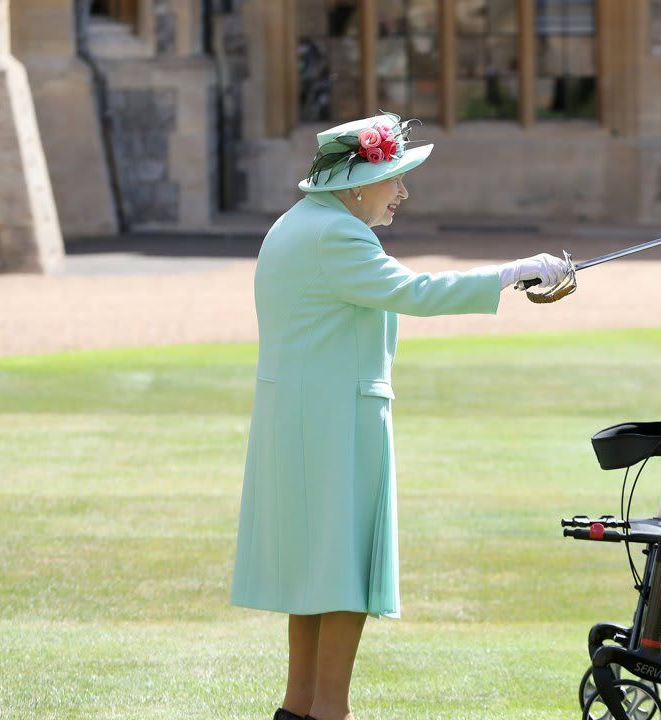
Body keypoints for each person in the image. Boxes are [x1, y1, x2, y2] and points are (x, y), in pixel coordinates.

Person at [230, 113, 570, 720]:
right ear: (359, 182)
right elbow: (415, 292)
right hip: (335, 425)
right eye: (394, 179)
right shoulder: (337, 235)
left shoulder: (297, 224)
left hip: (306, 422)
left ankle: (301, 707)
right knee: (343, 577)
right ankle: (331, 712)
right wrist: (514, 273)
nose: (402, 194)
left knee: (316, 575)